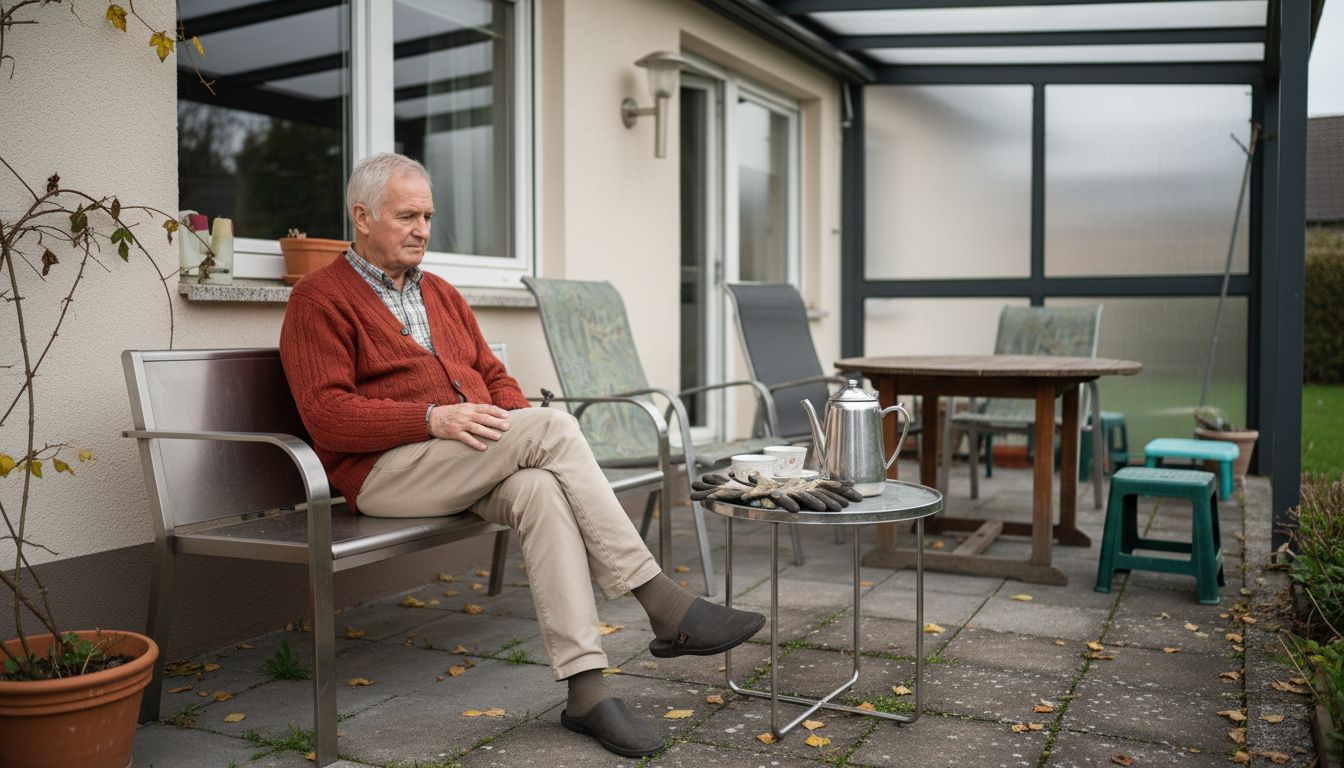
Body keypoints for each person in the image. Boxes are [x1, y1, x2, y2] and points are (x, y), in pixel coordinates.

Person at [279, 152, 764, 758]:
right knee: (553, 427)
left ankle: (586, 692)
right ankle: (662, 602)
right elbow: (326, 414)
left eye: (428, 217)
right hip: (383, 472)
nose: (422, 230)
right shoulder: (318, 298)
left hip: (462, 460)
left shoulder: (441, 294)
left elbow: (493, 376)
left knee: (540, 488)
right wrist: (432, 417)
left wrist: (509, 427)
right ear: (362, 217)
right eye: (407, 216)